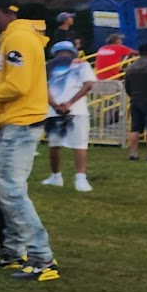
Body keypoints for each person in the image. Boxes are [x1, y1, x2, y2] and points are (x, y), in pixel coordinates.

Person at [0, 0, 56, 280]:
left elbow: (17, 85)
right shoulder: (15, 38)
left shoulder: (18, 39)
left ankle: (41, 257)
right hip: (17, 121)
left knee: (11, 190)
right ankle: (15, 251)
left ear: (0, 14)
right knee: (7, 189)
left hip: (20, 122)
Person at [42, 40, 96, 192]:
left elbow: (43, 88)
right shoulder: (82, 65)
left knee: (54, 145)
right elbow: (88, 85)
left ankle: (56, 176)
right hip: (76, 110)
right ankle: (80, 179)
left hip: (54, 110)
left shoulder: (47, 66)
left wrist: (55, 105)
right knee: (80, 145)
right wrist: (70, 103)